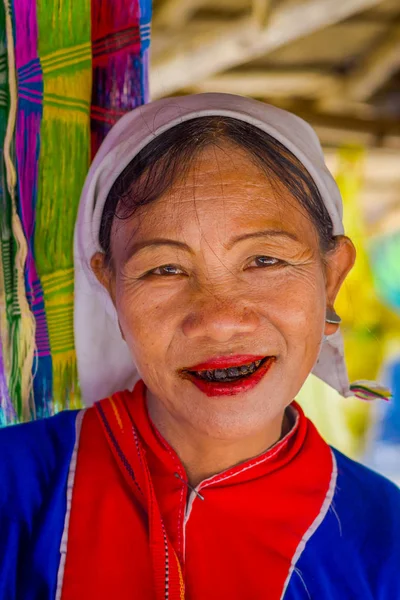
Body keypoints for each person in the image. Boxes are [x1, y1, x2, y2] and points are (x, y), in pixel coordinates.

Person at [1, 93, 399, 600]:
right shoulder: (16, 490)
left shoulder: (383, 540)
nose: (219, 321)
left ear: (332, 276)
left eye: (265, 261)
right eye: (165, 269)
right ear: (111, 288)